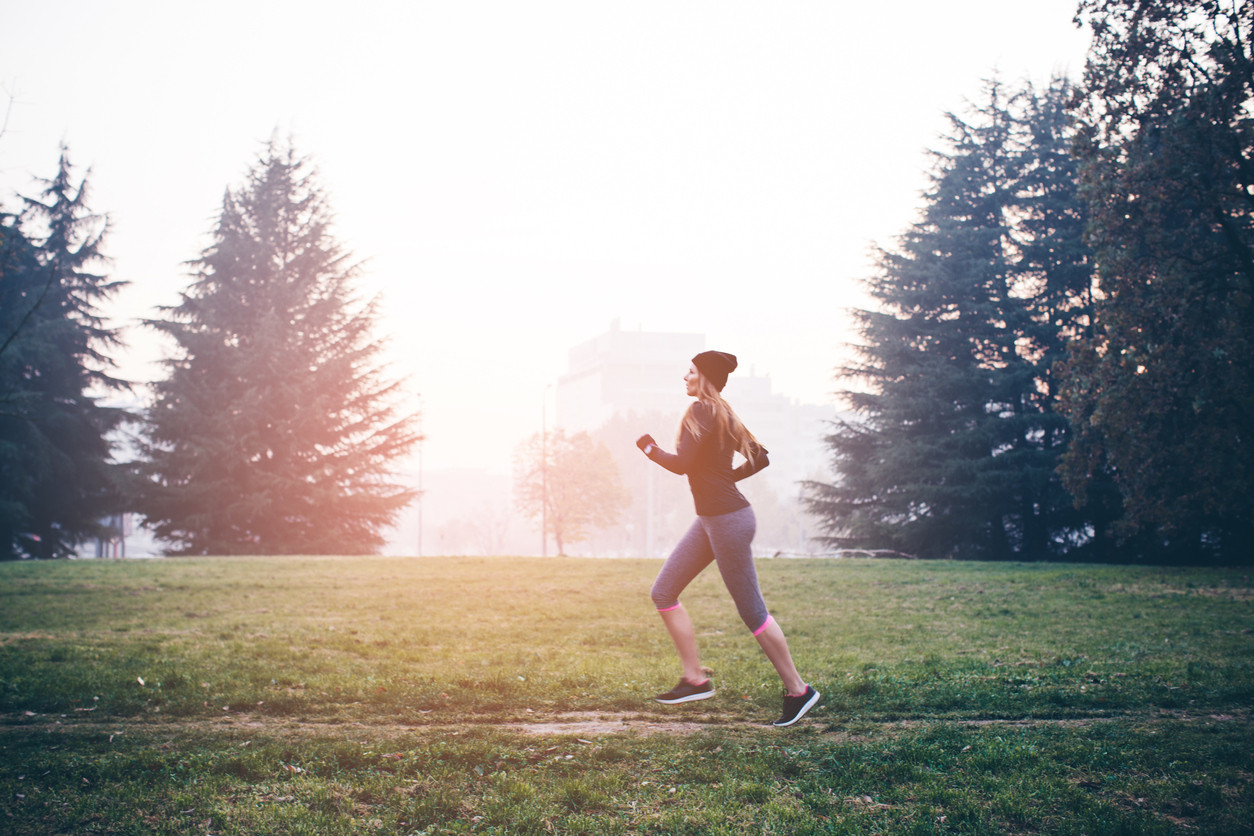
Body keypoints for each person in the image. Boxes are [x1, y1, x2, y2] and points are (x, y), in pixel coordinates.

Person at [636, 350, 820, 727]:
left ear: (703, 376)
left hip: (728, 520)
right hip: (714, 518)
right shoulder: (722, 412)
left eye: (689, 371)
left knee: (752, 611)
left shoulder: (701, 411)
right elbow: (761, 457)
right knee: (663, 591)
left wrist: (649, 448)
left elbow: (683, 465)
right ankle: (694, 680)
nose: (684, 377)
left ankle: (799, 690)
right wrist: (725, 481)